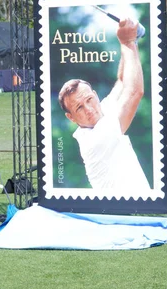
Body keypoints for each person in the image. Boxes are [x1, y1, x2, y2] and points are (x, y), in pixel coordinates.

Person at [58, 19, 149, 192]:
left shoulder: (103, 110)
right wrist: (127, 41)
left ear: (96, 96)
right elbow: (135, 92)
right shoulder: (94, 139)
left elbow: (122, 80)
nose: (89, 109)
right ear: (70, 117)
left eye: (89, 100)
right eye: (79, 108)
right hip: (124, 214)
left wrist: (132, 41)